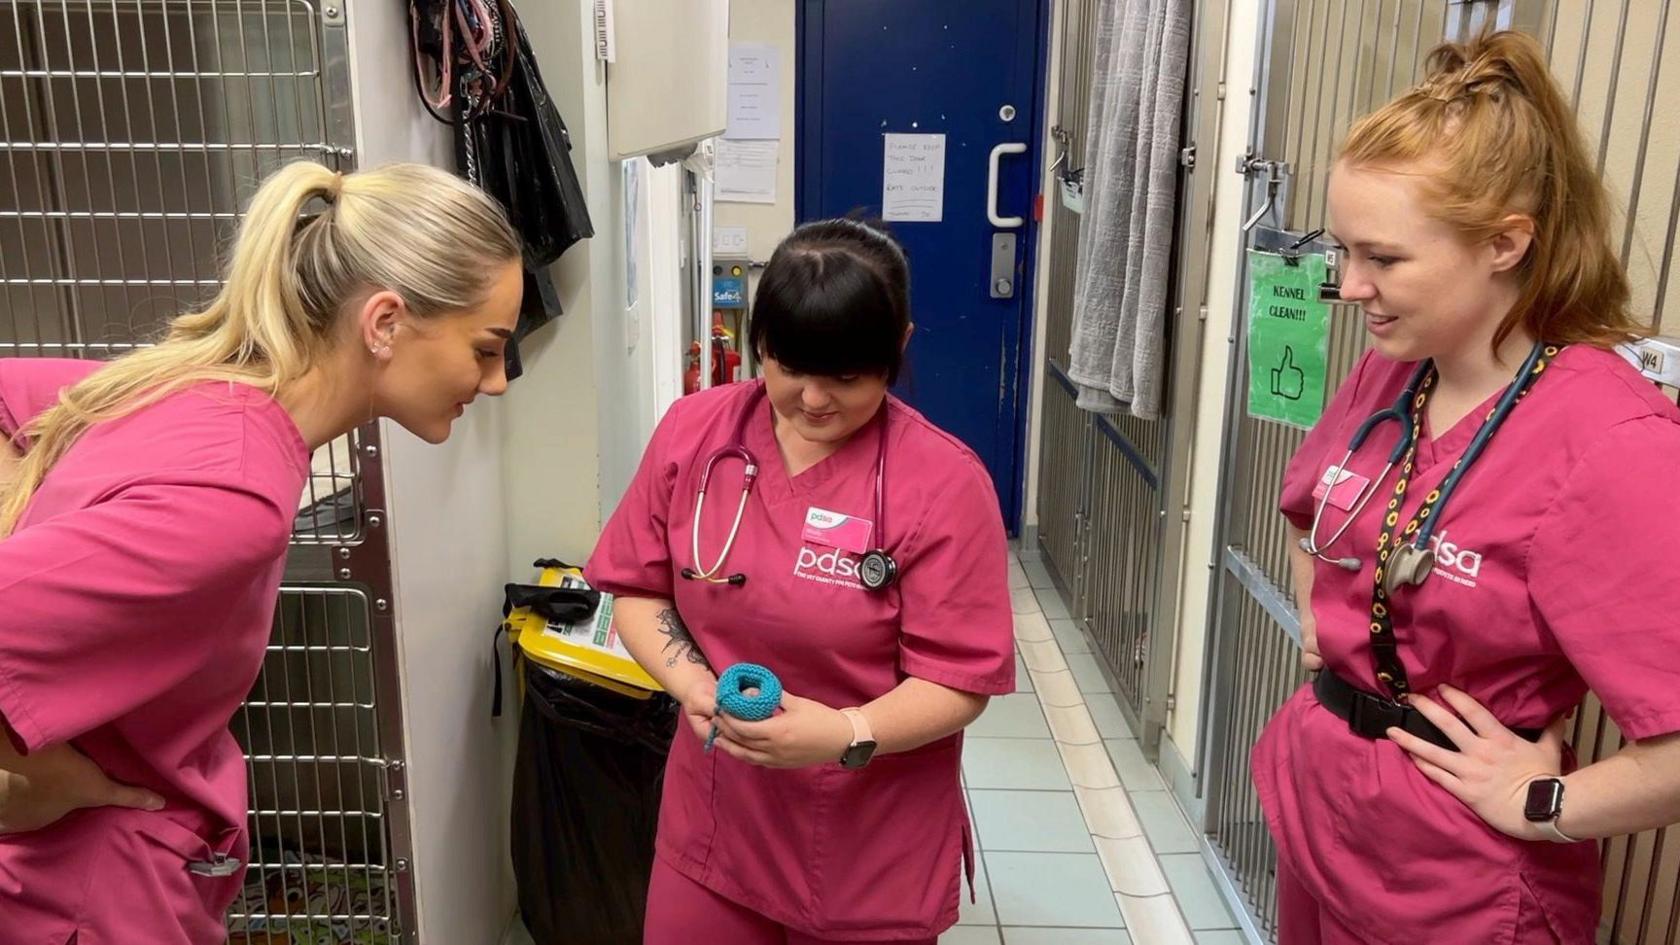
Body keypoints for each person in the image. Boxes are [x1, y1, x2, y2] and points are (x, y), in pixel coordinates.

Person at [0, 160, 523, 944]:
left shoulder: (185, 387)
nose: (495, 384)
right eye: (486, 349)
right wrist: (29, 784)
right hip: (89, 892)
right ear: (383, 322)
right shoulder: (236, 499)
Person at [1255, 29, 1680, 944]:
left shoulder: (1611, 441)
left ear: (1504, 242)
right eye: (1345, 252)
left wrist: (1542, 799)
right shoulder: (1397, 368)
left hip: (1459, 874)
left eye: (1386, 259)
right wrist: (1331, 634)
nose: (1352, 286)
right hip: (1326, 813)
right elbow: (1312, 517)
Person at [584, 218, 1015, 944]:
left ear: (897, 348)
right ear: (759, 345)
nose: (813, 399)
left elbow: (962, 678)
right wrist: (693, 686)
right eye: (788, 367)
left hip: (871, 841)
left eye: (846, 376)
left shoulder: (943, 483)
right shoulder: (695, 433)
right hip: (718, 823)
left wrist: (846, 730)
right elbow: (640, 588)